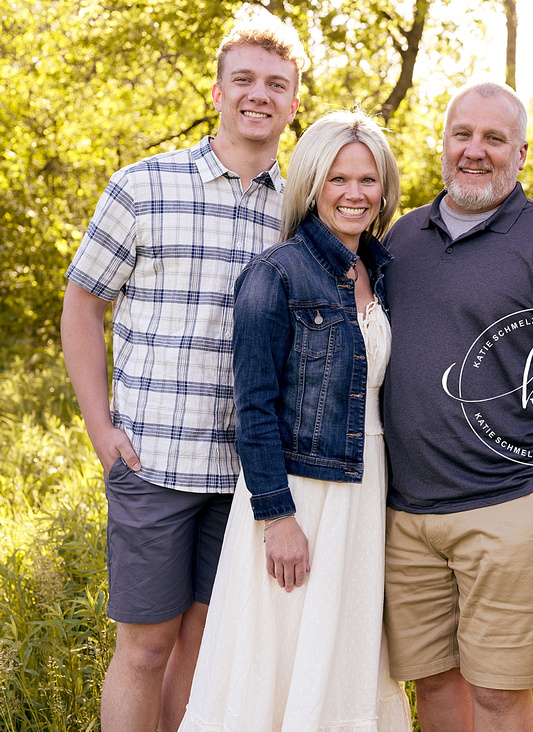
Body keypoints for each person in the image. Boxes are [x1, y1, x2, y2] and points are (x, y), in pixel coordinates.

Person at [59, 9, 306, 731]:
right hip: (154, 461)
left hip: (245, 478)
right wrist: (100, 428)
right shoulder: (143, 186)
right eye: (244, 80)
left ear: (295, 103)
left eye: (276, 84)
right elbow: (81, 305)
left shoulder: (299, 212)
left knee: (201, 651)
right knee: (143, 649)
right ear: (217, 91)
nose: (258, 94)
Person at [380, 80, 533, 732]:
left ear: (522, 153)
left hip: (507, 509)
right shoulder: (401, 240)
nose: (474, 151)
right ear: (444, 141)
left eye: (493, 138)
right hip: (405, 516)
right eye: (462, 134)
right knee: (434, 685)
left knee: (502, 696)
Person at [178, 109, 411, 731]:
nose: (354, 194)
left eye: (368, 180)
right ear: (311, 185)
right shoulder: (275, 273)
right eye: (338, 179)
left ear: (384, 189)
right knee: (278, 659)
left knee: (345, 653)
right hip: (299, 496)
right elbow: (252, 407)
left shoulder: (380, 270)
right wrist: (277, 516)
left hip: (365, 492)